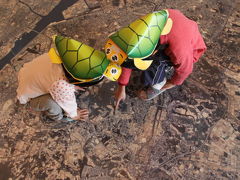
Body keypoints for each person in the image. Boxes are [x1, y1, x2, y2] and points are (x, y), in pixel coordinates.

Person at [107, 9, 206, 109]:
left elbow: (186, 69)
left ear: (153, 52)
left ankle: (159, 81)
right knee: (140, 63)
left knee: (155, 66)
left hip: (192, 45)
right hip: (172, 28)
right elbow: (127, 57)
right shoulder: (140, 28)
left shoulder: (179, 51)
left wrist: (173, 82)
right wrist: (122, 86)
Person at [17, 36, 122, 121]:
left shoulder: (63, 56)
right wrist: (74, 114)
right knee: (53, 105)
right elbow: (68, 102)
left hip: (27, 73)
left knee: (55, 88)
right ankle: (58, 118)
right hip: (29, 96)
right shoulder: (61, 85)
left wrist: (74, 84)